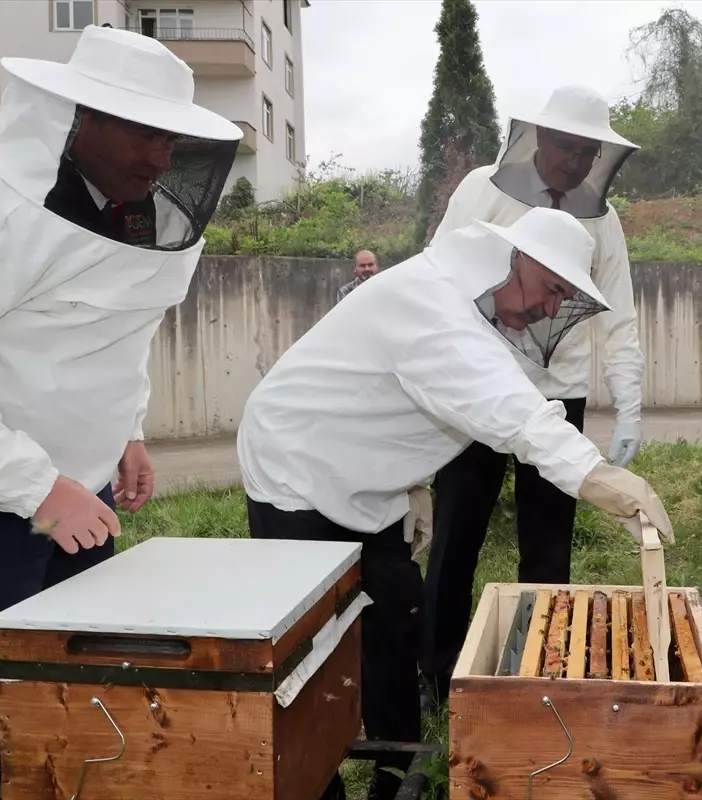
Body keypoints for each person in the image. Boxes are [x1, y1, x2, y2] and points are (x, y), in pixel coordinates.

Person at [236, 206, 674, 800]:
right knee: (308, 653)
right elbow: (512, 412)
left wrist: (408, 484)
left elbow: (424, 400)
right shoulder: (432, 303)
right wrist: (595, 475)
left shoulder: (469, 308)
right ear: (515, 259)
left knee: (395, 615)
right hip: (295, 468)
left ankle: (400, 779)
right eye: (551, 290)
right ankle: (316, 783)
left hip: (366, 479)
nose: (552, 309)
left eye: (563, 298)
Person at [0, 25, 241, 800]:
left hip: (78, 499)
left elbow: (121, 331)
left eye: (171, 138)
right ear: (79, 118)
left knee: (74, 675)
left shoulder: (139, 210)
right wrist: (36, 488)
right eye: (144, 133)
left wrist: (130, 432)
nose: (161, 159)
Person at [418, 85, 645, 707]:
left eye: (586, 152)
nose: (573, 163)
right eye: (566, 147)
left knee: (548, 546)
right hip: (479, 391)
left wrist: (629, 402)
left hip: (557, 394)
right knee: (456, 537)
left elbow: (618, 312)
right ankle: (437, 676)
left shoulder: (604, 217)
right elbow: (438, 277)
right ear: (538, 138)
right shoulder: (480, 190)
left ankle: (542, 673)